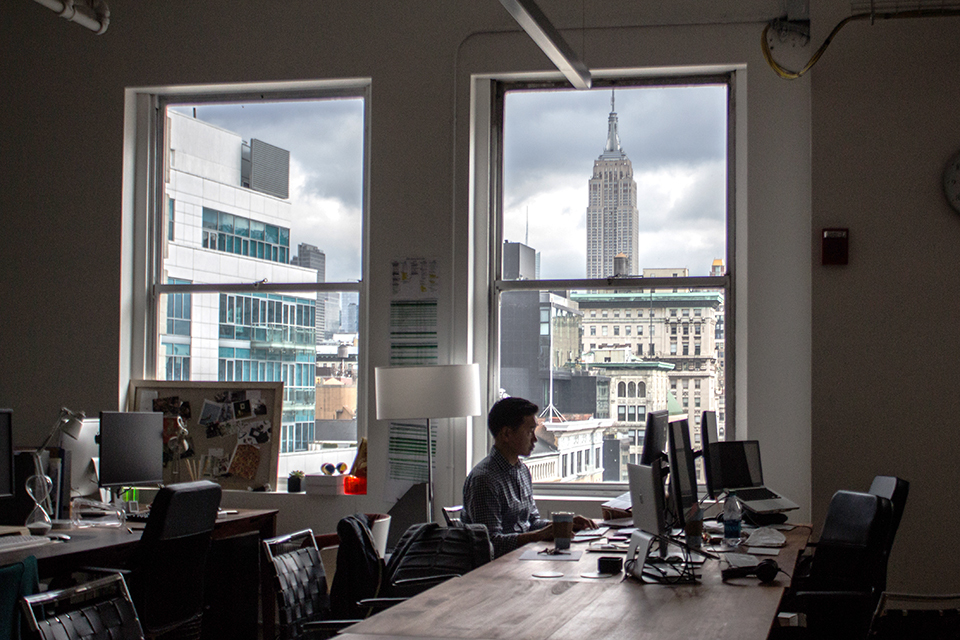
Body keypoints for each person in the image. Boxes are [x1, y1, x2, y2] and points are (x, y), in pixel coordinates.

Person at [462, 396, 596, 557]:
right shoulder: (484, 480)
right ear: (506, 434)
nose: (534, 439)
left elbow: (532, 522)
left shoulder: (522, 470)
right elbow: (490, 544)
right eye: (530, 431)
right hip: (498, 569)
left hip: (523, 557)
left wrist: (565, 525)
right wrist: (538, 536)